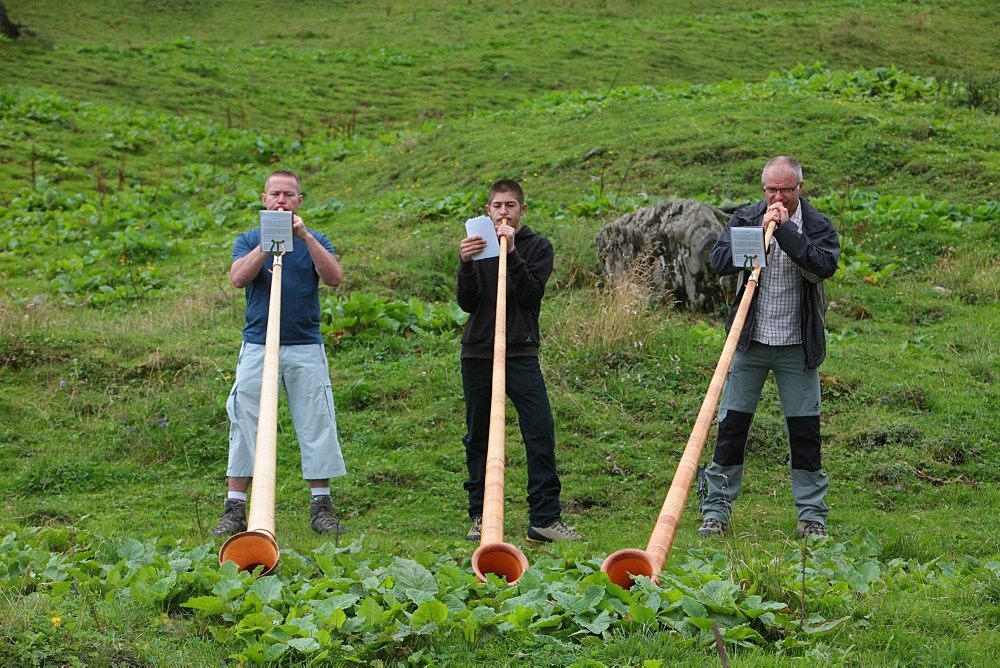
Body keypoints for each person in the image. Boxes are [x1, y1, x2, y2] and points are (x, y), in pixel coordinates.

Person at [698, 156, 841, 539]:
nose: (778, 196)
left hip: (798, 345)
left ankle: (812, 516)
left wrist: (783, 234)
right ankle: (716, 511)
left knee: (805, 432)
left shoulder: (816, 224)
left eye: (785, 190)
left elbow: (822, 266)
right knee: (732, 427)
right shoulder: (746, 218)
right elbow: (719, 262)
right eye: (771, 190)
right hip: (750, 342)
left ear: (799, 188)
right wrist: (756, 235)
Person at [210, 169, 348, 537]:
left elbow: (334, 277)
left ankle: (321, 506)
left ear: (300, 201)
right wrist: (267, 243)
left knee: (316, 420)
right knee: (244, 422)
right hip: (257, 345)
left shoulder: (315, 238)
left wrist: (302, 236)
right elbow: (238, 277)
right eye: (275, 194)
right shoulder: (249, 238)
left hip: (305, 345)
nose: (282, 201)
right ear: (264, 198)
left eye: (289, 195)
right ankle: (235, 507)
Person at [457, 179, 584, 543]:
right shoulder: (478, 245)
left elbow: (531, 293)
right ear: (487, 210)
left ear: (522, 210)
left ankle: (544, 520)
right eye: (496, 206)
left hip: (519, 350)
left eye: (510, 206)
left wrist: (511, 253)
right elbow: (467, 303)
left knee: (539, 431)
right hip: (479, 351)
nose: (503, 212)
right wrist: (465, 264)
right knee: (478, 437)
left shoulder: (538, 247)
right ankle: (481, 517)